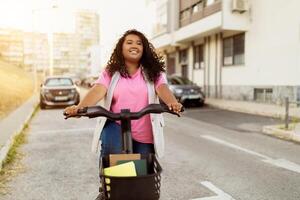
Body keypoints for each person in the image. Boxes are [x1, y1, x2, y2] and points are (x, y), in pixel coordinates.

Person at [64, 29, 183, 199]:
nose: (134, 45)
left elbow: (162, 88)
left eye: (139, 43)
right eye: (129, 42)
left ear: (144, 49)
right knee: (114, 162)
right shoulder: (110, 72)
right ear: (121, 48)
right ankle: (106, 191)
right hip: (116, 124)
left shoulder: (154, 72)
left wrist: (172, 102)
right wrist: (79, 107)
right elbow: (98, 89)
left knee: (143, 178)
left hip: (144, 131)